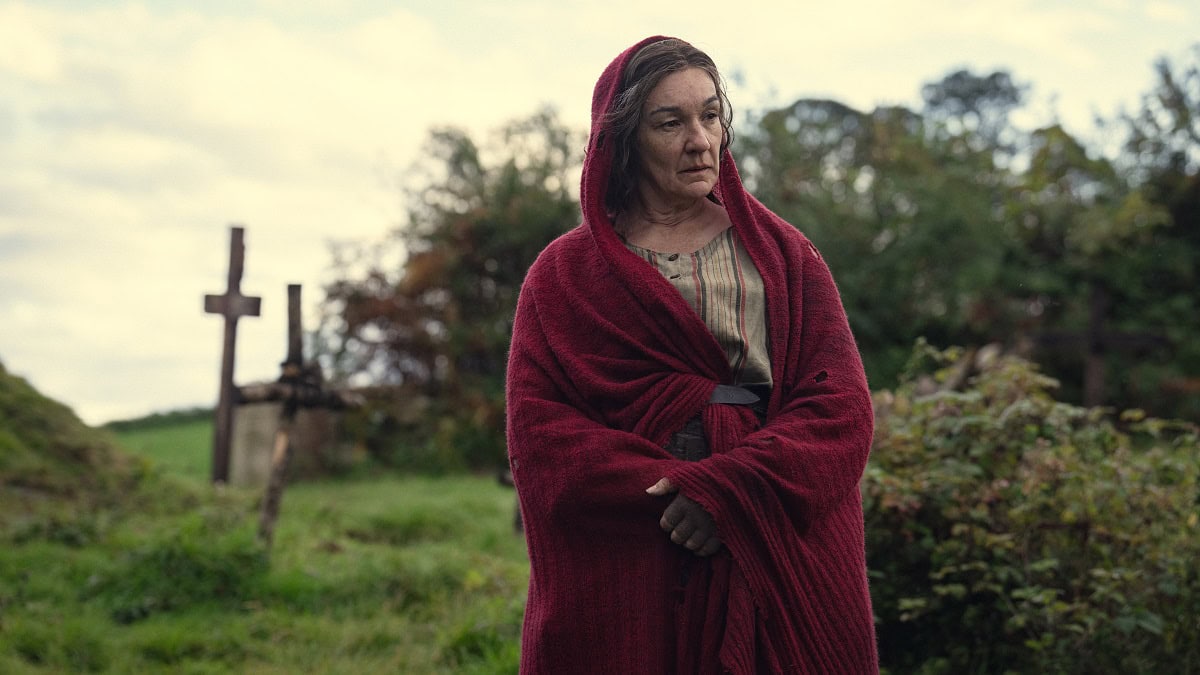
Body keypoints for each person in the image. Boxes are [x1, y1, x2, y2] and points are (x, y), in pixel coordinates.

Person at [506, 36, 878, 674]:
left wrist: (731, 492)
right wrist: (677, 497)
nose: (700, 140)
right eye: (670, 123)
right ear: (623, 140)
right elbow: (543, 434)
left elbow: (840, 407)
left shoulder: (784, 256)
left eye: (710, 115)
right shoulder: (563, 276)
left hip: (770, 522)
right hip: (636, 541)